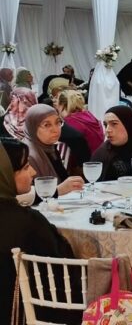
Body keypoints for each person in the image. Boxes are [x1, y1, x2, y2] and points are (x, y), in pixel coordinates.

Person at [0, 138, 83, 324]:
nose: (33, 172)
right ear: (5, 174)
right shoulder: (27, 221)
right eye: (25, 167)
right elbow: (62, 269)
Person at [22, 104, 86, 196]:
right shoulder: (27, 156)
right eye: (47, 125)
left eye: (58, 122)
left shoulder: (50, 148)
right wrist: (59, 190)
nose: (55, 130)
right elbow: (26, 197)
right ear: (32, 127)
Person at [4, 69, 37, 140]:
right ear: (23, 77)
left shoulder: (16, 88)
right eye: (29, 74)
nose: (32, 76)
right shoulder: (26, 91)